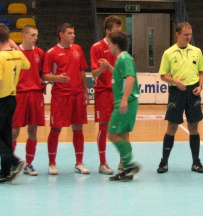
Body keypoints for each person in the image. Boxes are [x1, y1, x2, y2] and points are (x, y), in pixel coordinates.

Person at [157, 22, 203, 174]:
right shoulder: (168, 53)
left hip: (193, 92)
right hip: (176, 91)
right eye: (185, 34)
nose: (188, 37)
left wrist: (200, 86)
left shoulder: (197, 51)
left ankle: (196, 162)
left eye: (190, 34)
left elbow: (201, 72)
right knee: (172, 127)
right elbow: (163, 75)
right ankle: (164, 162)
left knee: (193, 127)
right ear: (177, 34)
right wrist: (175, 82)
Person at [42, 23, 90, 175]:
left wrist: (85, 91)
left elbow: (82, 71)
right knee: (56, 129)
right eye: (70, 33)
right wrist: (57, 78)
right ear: (61, 34)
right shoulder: (51, 53)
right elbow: (44, 76)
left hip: (77, 95)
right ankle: (51, 163)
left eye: (73, 33)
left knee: (78, 128)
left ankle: (79, 163)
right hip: (60, 96)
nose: (73, 35)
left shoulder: (78, 49)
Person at [90, 15, 123, 175]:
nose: (120, 33)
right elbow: (94, 73)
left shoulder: (119, 48)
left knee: (122, 127)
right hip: (103, 92)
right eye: (117, 31)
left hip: (118, 92)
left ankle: (123, 161)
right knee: (104, 126)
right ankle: (103, 163)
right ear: (108, 31)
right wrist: (103, 68)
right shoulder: (96, 47)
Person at [11, 25, 45, 176]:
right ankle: (11, 162)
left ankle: (29, 164)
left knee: (33, 130)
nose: (35, 38)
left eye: (36, 35)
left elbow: (43, 74)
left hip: (35, 95)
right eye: (32, 35)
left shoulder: (40, 53)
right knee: (13, 131)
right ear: (23, 35)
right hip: (18, 95)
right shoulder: (13, 53)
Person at [106, 31, 140, 181]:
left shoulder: (125, 58)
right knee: (124, 135)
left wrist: (125, 99)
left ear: (115, 44)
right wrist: (109, 67)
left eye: (110, 43)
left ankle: (130, 164)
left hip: (125, 101)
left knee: (112, 134)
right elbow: (122, 76)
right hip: (125, 100)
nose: (108, 46)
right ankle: (127, 170)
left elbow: (130, 78)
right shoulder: (121, 59)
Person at [0, 23, 30, 183]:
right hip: (12, 99)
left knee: (3, 136)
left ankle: (13, 160)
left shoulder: (0, 57)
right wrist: (15, 47)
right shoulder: (16, 55)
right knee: (5, 136)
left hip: (1, 99)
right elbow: (27, 64)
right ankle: (5, 172)